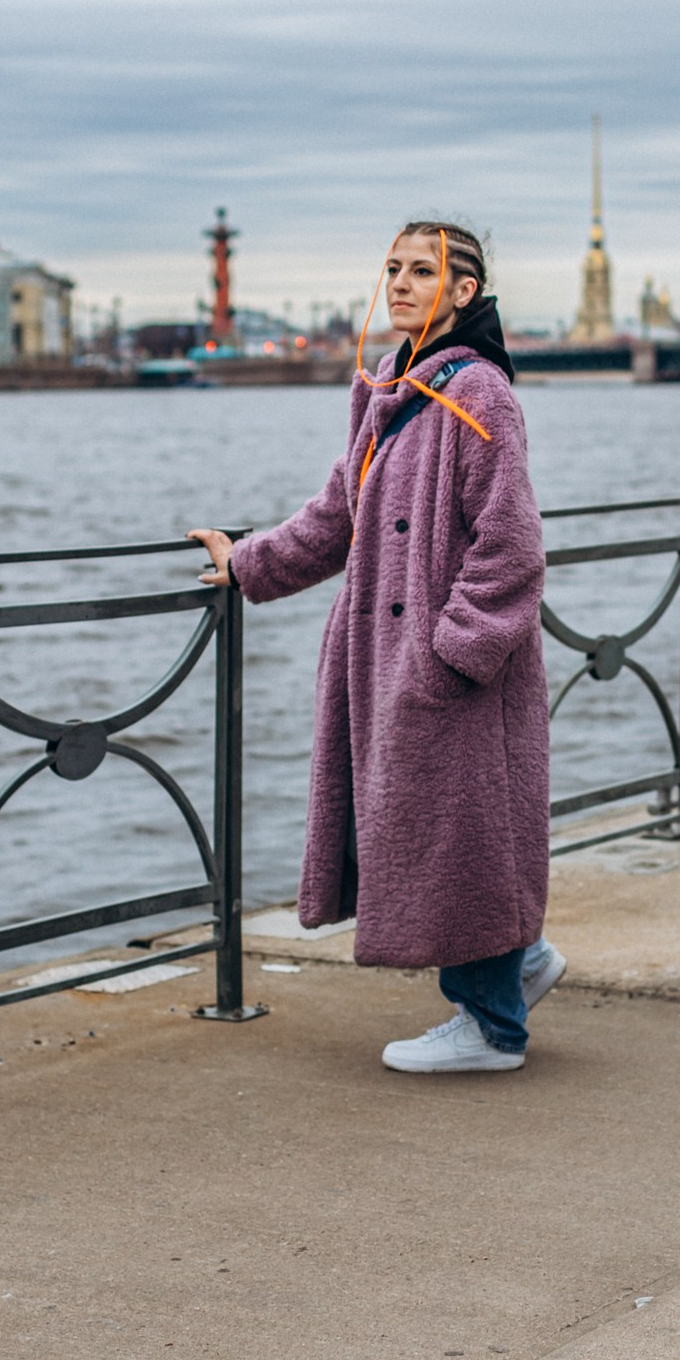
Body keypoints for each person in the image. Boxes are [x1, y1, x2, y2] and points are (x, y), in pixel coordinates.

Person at [190, 221, 563, 1073]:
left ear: (463, 294)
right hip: (387, 663)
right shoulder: (393, 390)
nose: (399, 283)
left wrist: (449, 656)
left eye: (423, 271)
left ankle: (493, 1026)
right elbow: (334, 520)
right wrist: (245, 563)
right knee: (440, 830)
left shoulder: (481, 395)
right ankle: (521, 960)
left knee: (461, 835)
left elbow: (512, 551)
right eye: (393, 268)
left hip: (451, 672)